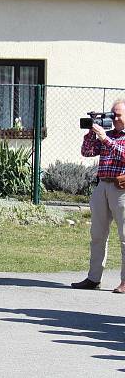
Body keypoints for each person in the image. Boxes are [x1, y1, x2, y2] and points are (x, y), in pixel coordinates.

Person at [73, 100, 125, 293]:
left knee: (124, 236)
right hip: (102, 186)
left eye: (118, 115)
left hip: (122, 189)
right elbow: (86, 152)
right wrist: (91, 132)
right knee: (97, 235)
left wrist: (105, 140)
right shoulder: (108, 135)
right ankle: (93, 278)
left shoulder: (109, 138)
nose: (115, 119)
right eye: (113, 115)